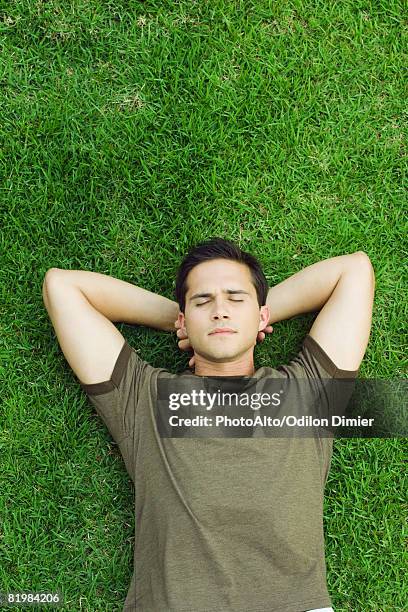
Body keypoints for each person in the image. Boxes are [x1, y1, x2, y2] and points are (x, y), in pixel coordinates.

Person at [42, 237, 375, 611]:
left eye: (235, 298)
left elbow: (354, 271)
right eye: (203, 301)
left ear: (262, 315)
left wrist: (247, 318)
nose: (220, 311)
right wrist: (185, 322)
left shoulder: (306, 391)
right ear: (183, 318)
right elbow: (63, 286)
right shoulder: (144, 398)